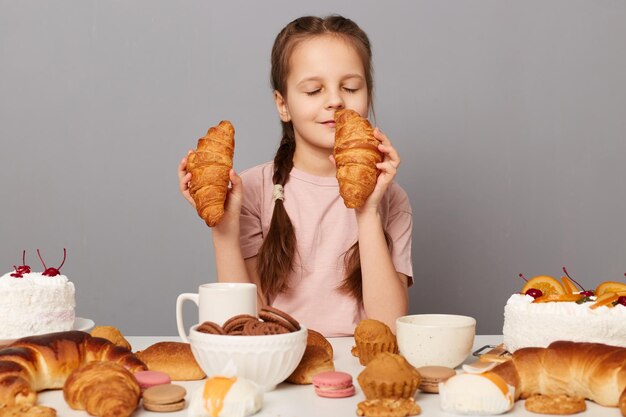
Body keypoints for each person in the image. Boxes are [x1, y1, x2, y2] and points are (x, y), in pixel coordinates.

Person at [178, 15, 412, 337]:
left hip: (357, 368)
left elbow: (388, 327)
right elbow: (243, 325)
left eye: (350, 87)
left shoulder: (390, 198)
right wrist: (223, 230)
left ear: (367, 95)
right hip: (278, 364)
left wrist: (368, 211)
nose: (335, 100)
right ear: (283, 104)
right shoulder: (255, 190)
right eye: (314, 90)